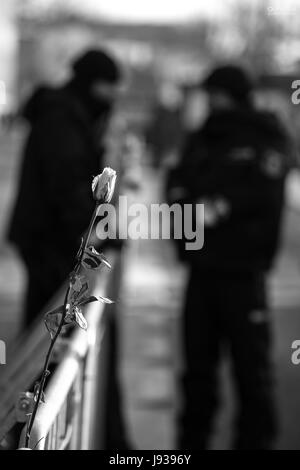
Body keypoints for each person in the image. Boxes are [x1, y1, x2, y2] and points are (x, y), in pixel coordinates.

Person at [167, 65, 292, 449]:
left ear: (229, 95)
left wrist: (221, 206)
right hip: (202, 273)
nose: (210, 103)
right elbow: (176, 187)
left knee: (251, 375)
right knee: (197, 374)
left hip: (242, 275)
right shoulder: (202, 138)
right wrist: (189, 211)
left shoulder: (264, 136)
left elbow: (268, 193)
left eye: (215, 95)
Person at [8, 49, 120, 328]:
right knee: (49, 320)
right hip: (49, 236)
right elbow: (67, 181)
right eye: (108, 86)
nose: (112, 95)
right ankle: (45, 372)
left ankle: (46, 369)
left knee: (49, 317)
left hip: (49, 233)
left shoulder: (71, 113)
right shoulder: (63, 117)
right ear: (93, 84)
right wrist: (97, 226)